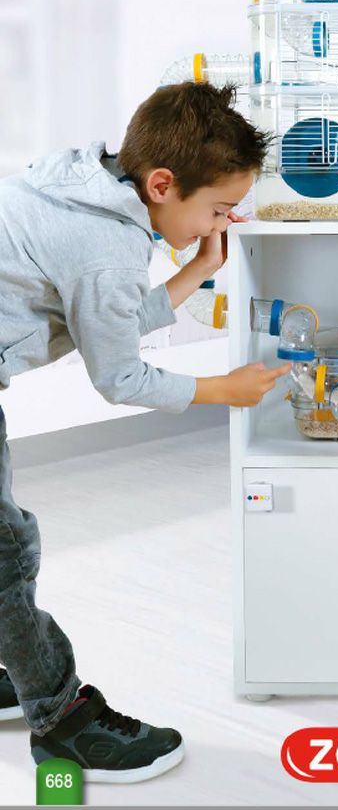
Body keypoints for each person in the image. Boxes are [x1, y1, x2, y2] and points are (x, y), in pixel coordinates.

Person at [0, 81, 291, 779]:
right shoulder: (107, 245)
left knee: (7, 543)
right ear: (162, 184)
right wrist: (223, 389)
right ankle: (61, 719)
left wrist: (200, 267)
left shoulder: (80, 181)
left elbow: (109, 317)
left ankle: (19, 662)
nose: (220, 221)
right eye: (216, 210)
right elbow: (120, 376)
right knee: (5, 558)